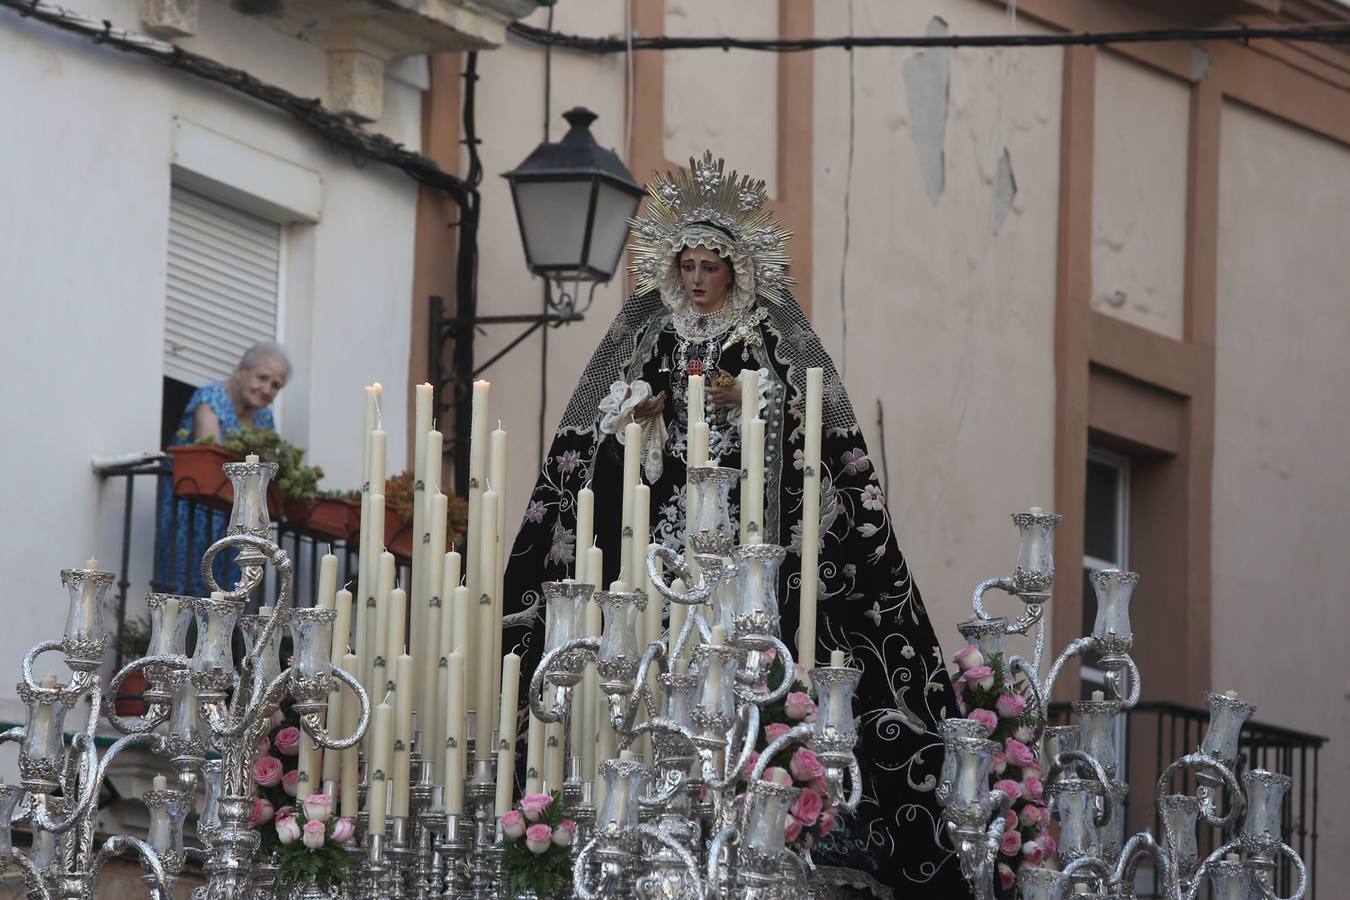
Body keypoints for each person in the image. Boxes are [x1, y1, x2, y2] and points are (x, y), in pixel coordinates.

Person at [502, 153, 969, 898]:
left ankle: (754, 780)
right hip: (664, 534)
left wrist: (750, 397)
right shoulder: (648, 330)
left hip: (749, 539)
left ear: (736, 270)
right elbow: (600, 423)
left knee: (734, 643)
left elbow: (818, 429)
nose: (693, 279)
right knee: (657, 644)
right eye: (684, 264)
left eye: (708, 266)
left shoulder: (767, 335)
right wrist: (639, 411)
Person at [155, 342, 290, 596]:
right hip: (191, 511)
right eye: (262, 378)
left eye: (275, 385)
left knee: (228, 593)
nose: (267, 389)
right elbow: (213, 457)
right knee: (185, 587)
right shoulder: (211, 398)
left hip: (232, 516)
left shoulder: (264, 418)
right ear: (241, 369)